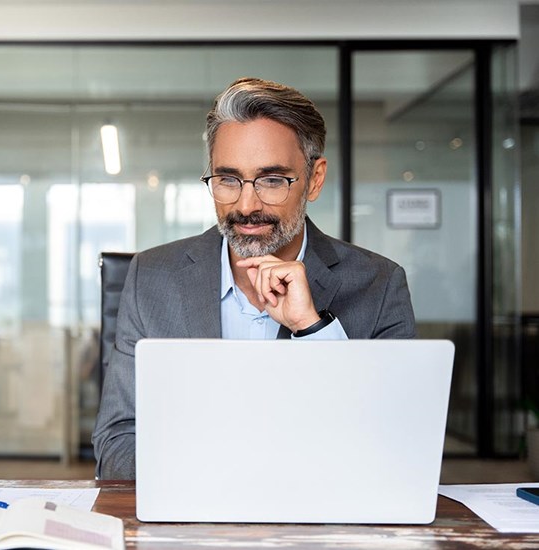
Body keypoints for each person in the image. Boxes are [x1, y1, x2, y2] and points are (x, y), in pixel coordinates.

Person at [92, 77, 416, 480]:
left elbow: (400, 449)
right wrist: (227, 481)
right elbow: (117, 443)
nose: (246, 205)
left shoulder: (380, 285)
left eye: (272, 180)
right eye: (228, 179)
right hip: (192, 513)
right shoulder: (150, 279)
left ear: (314, 179)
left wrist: (311, 328)